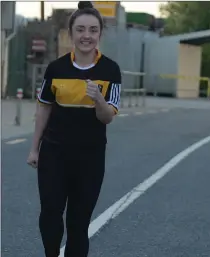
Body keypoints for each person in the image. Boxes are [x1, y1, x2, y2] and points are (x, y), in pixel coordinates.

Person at [26, 1, 121, 256]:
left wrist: (98, 100)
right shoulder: (56, 68)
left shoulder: (110, 70)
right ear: (71, 33)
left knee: (78, 224)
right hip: (54, 154)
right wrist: (34, 149)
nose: (86, 36)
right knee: (50, 215)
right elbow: (44, 108)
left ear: (100, 33)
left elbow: (107, 117)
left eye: (92, 30)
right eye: (80, 30)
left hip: (90, 157)